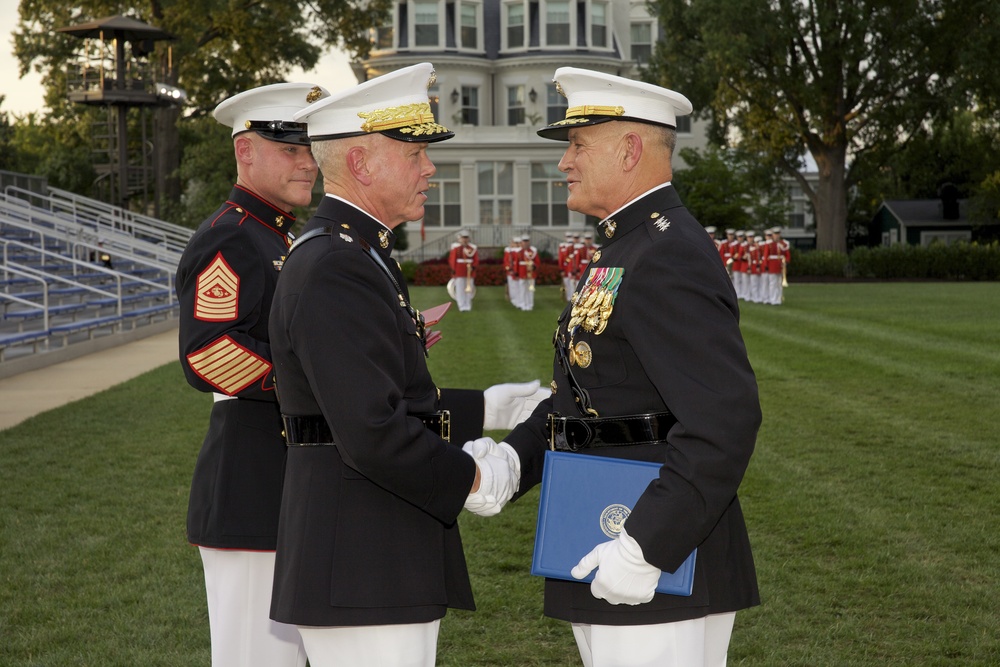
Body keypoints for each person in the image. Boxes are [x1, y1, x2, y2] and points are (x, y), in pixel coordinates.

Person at [477, 67, 762, 667]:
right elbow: (588, 396)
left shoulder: (665, 253)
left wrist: (646, 548)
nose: (564, 163)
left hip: (657, 558)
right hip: (611, 533)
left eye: (579, 145)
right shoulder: (627, 247)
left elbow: (723, 419)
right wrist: (514, 461)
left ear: (630, 149)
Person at [265, 62, 543, 667]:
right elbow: (371, 430)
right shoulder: (337, 264)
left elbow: (386, 396)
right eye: (414, 153)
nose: (430, 168)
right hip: (360, 555)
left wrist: (485, 408)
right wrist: (476, 479)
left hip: (369, 545)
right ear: (362, 163)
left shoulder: (358, 253)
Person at [175, 81, 329, 667]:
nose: (308, 161)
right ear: (246, 152)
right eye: (290, 148)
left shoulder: (278, 233)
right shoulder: (231, 235)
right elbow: (210, 353)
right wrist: (320, 385)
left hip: (287, 473)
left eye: (309, 147)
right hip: (250, 482)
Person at [447, 230, 479, 311]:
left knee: (469, 288)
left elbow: (475, 259)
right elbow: (452, 259)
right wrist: (453, 269)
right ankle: (461, 305)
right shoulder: (456, 248)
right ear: (459, 239)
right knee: (460, 289)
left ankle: (468, 305)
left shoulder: (472, 248)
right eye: (463, 238)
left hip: (470, 271)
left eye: (466, 238)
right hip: (459, 270)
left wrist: (474, 267)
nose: (465, 240)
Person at [516, 235, 539, 311]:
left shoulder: (533, 251)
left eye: (527, 241)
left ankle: (530, 305)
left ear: (529, 242)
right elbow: (516, 263)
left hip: (531, 273)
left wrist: (533, 266)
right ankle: (523, 304)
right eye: (524, 241)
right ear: (521, 242)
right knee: (522, 290)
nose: (525, 243)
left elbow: (537, 262)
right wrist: (516, 273)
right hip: (522, 273)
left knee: (530, 289)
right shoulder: (519, 252)